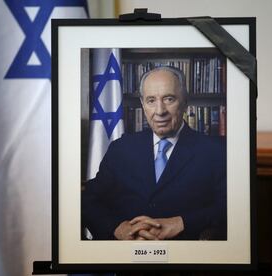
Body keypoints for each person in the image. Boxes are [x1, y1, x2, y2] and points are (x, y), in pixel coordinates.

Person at [82, 66, 226, 240]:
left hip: (183, 257)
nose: (160, 111)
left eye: (169, 99)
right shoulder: (121, 148)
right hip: (124, 256)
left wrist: (182, 223)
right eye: (151, 100)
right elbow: (88, 199)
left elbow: (228, 207)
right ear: (143, 105)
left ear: (185, 102)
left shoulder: (214, 151)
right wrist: (117, 228)